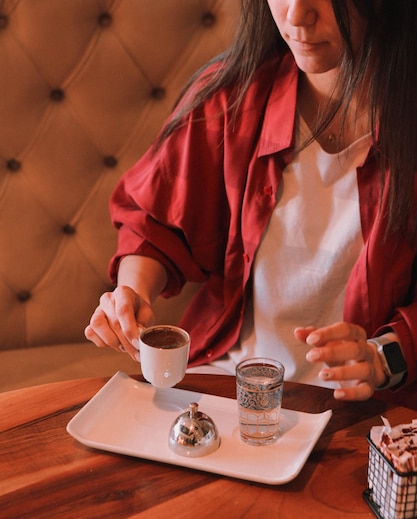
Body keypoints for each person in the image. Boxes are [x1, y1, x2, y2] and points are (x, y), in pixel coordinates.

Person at [85, 0, 417, 409]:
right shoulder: (231, 95)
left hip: (359, 414)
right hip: (221, 387)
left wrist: (384, 356)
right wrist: (132, 291)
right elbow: (155, 226)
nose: (296, 15)